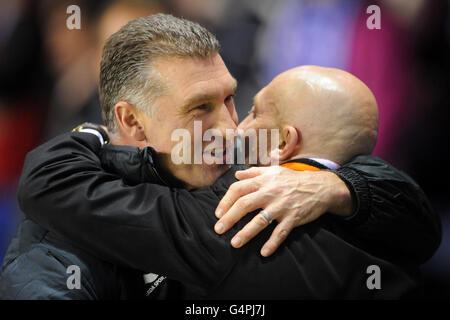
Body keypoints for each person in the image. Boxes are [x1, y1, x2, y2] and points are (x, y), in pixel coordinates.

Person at [0, 14, 440, 299]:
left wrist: (337, 187)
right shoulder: (57, 250)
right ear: (132, 122)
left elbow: (48, 180)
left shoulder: (236, 203)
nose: (231, 128)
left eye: (234, 101)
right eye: (201, 108)